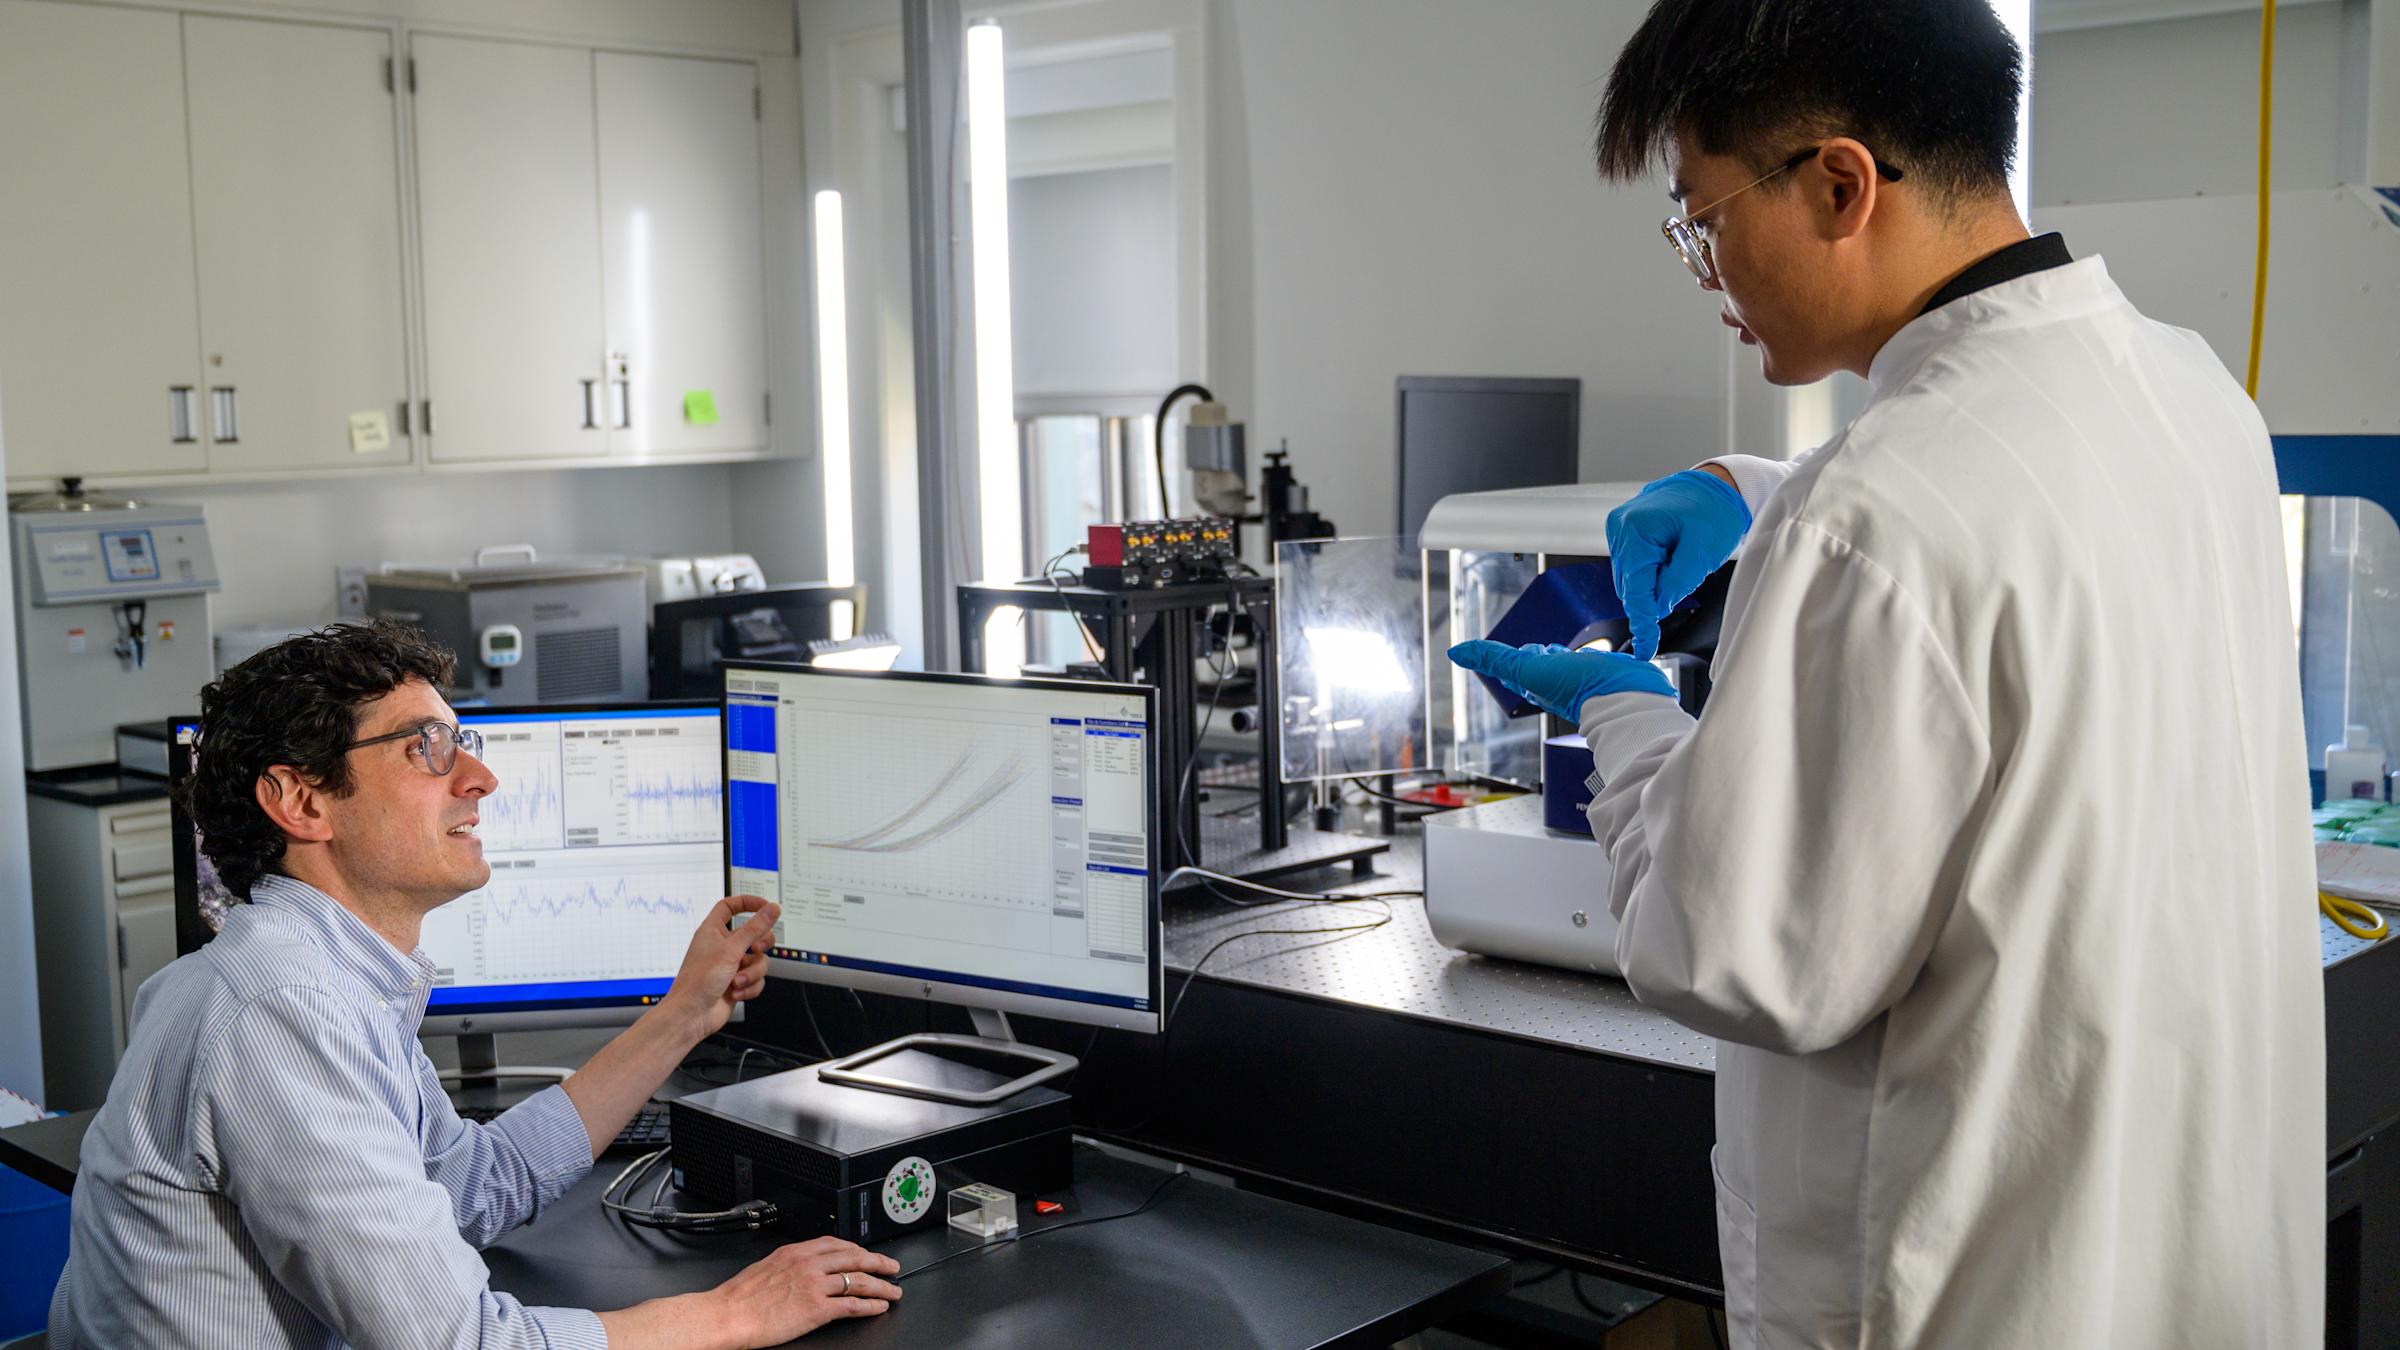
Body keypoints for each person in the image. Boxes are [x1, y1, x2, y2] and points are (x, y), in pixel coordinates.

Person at [1448, 2, 2322, 1346]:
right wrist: (1757, 490)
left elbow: (1729, 949)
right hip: (2183, 1262)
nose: (1705, 269)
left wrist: (1625, 712)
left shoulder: (1872, 517)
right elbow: (2026, 525)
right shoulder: (2192, 393)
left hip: (1974, 1288)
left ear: (1841, 183)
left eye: (1702, 218)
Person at [49, 619, 903, 1349]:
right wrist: (728, 1315)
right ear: (301, 803)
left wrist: (684, 1016)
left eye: (463, 741)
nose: (479, 778)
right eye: (425, 747)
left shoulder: (317, 975)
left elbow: (470, 1185)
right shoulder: (279, 1009)